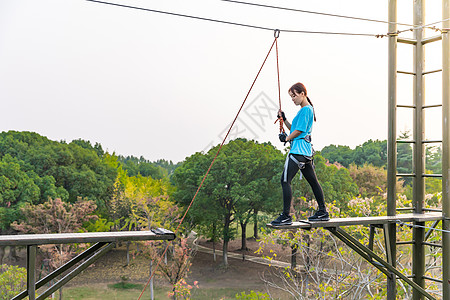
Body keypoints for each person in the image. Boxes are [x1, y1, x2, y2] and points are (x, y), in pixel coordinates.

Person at [271, 82, 329, 226]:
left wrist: (286, 139)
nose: (293, 99)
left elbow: (299, 131)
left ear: (302, 93)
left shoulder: (306, 110)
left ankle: (285, 216)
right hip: (305, 153)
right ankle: (323, 212)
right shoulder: (305, 110)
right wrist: (284, 120)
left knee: (285, 181)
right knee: (313, 182)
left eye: (294, 96)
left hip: (298, 152)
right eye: (291, 97)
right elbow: (294, 129)